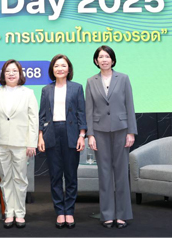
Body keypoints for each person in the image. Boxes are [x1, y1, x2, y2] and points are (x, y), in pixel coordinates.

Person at [85, 45, 137, 229]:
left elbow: (129, 105)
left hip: (121, 130)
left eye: (107, 56)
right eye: (101, 57)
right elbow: (89, 110)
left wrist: (131, 132)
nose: (104, 59)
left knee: (121, 173)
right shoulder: (91, 81)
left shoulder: (123, 78)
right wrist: (90, 135)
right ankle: (107, 214)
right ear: (96, 60)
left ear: (113, 60)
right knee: (104, 173)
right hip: (99, 131)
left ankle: (122, 214)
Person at [0, 59, 38, 229]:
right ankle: (9, 212)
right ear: (3, 74)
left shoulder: (28, 93)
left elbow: (33, 120)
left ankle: (20, 213)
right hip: (0, 143)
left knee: (20, 179)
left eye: (14, 71)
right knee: (5, 179)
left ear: (20, 73)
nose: (11, 74)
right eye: (8, 71)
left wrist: (32, 143)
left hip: (21, 143)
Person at [38, 54, 87, 229]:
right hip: (52, 133)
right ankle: (60, 211)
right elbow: (42, 115)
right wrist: (40, 136)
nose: (60, 68)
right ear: (52, 69)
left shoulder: (77, 88)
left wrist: (82, 135)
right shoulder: (46, 90)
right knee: (55, 175)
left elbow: (81, 112)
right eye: (56, 66)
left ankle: (70, 211)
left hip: (71, 133)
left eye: (63, 65)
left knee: (71, 175)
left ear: (69, 69)